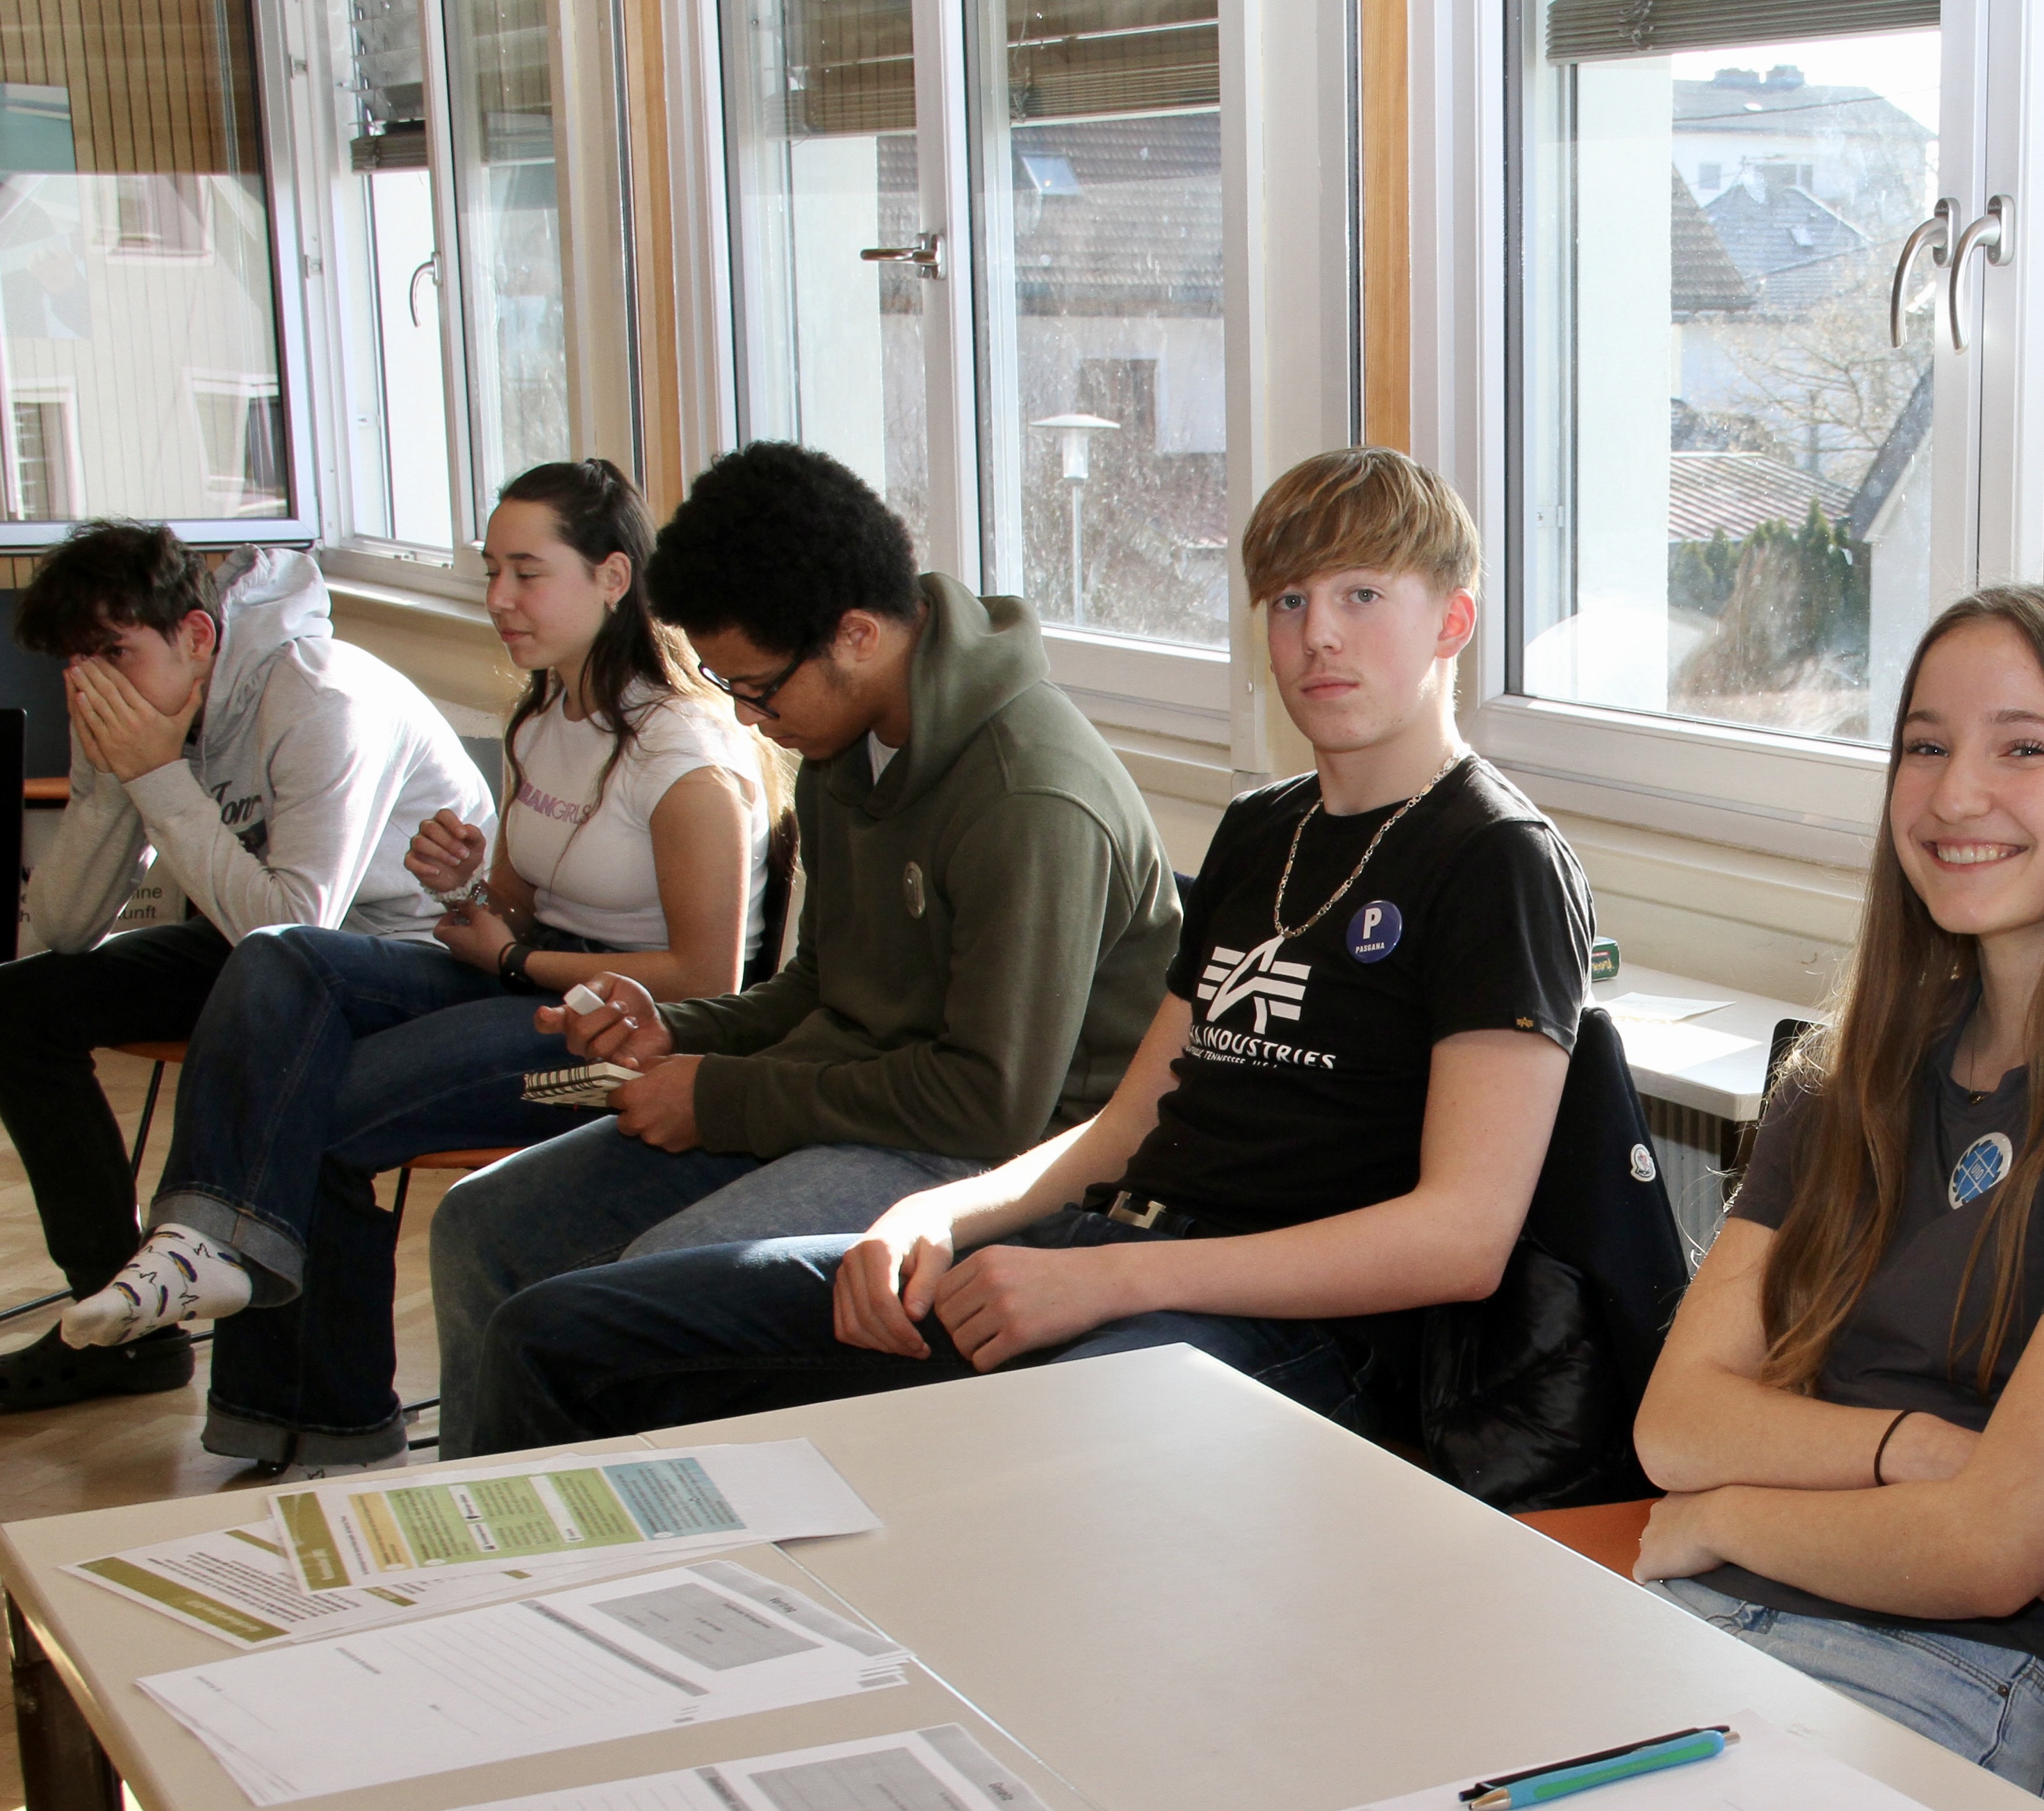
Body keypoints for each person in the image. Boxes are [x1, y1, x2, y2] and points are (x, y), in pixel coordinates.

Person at [459, 446, 1592, 1453]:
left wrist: (1110, 1279)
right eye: (1289, 601)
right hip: (1110, 1247)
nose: (1318, 635)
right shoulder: (1263, 830)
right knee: (562, 1337)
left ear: (1452, 622)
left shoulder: (1496, 859)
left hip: (1301, 1337)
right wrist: (936, 1218)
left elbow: (1460, 1239)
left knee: (993, 1463)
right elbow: (1125, 1125)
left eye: (1362, 596)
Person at [1625, 584, 2044, 1799]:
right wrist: (1925, 1453)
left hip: (1932, 1674)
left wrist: (1723, 1516)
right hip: (1699, 1616)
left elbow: (1992, 1555)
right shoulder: (1846, 1073)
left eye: (2023, 750)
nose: (1954, 796)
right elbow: (1674, 1425)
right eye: (1925, 747)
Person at [423, 441, 1179, 1452]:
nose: (747, 717)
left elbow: (988, 1103)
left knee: (641, 1302)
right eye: (726, 684)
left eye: (759, 688)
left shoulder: (1029, 797)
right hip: (859, 1102)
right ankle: (489, 1524)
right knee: (482, 1224)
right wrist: (679, 1031)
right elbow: (821, 988)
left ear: (855, 635)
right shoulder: (840, 736)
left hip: (1006, 1158)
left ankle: (639, 1533)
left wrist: (720, 1098)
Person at [53, 460, 771, 1469]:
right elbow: (516, 903)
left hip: (625, 1034)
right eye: (492, 571)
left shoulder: (682, 752)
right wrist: (468, 884)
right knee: (279, 957)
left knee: (317, 1105)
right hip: (526, 979)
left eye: (527, 574)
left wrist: (514, 950)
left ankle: (328, 1422)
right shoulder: (544, 713)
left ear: (612, 579)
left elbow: (707, 982)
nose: (499, 599)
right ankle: (206, 1246)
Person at [0, 526, 487, 1412]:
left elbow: (296, 936)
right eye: (76, 663)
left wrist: (157, 775)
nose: (92, 684)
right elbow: (63, 930)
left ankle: (216, 1284)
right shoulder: (132, 708)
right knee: (18, 1006)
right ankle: (122, 1326)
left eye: (114, 653)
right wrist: (119, 780)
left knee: (266, 981)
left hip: (409, 958)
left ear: (196, 635)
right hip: (262, 946)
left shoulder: (320, 699)